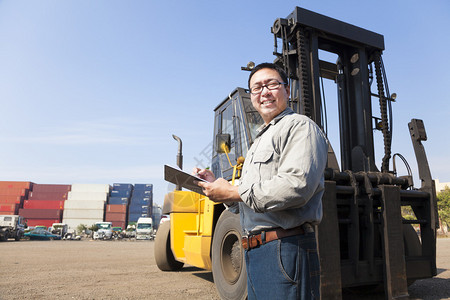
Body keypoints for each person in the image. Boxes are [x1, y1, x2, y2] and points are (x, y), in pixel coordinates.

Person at [195, 62, 328, 299]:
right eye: (256, 88)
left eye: (272, 84)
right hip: (256, 253)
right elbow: (248, 200)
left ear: (288, 91)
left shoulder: (300, 127)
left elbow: (297, 186)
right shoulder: (258, 142)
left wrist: (235, 192)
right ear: (252, 98)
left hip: (285, 249)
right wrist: (218, 185)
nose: (264, 92)